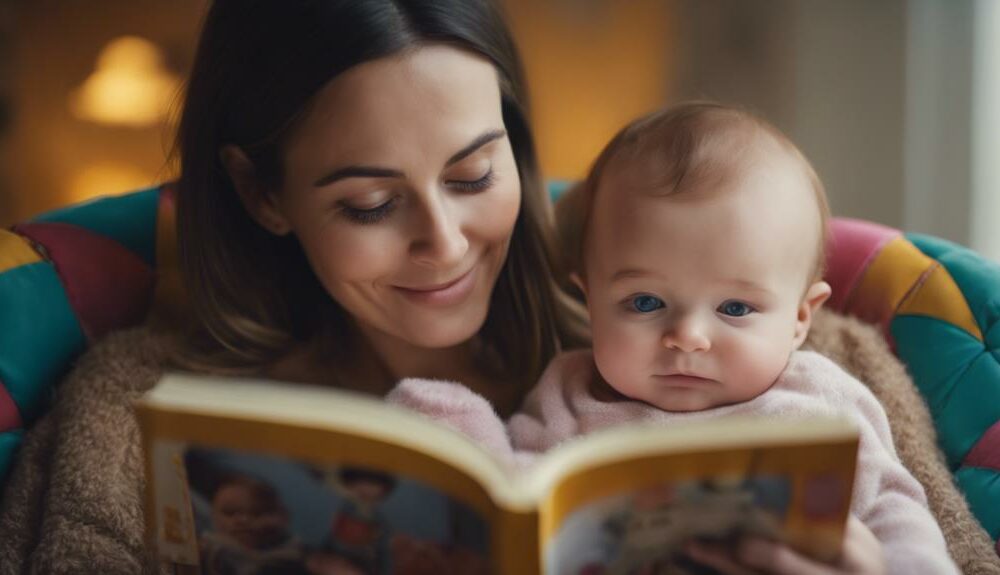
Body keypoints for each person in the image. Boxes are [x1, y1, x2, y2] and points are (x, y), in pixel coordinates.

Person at [0, 1, 586, 573]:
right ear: (263, 194)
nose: (447, 244)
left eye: (473, 175)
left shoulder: (646, 349)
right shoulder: (139, 412)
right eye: (370, 205)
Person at [388, 103, 959, 574]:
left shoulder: (819, 401)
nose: (686, 337)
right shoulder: (571, 391)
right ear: (589, 299)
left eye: (735, 308)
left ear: (800, 320)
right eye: (644, 303)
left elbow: (896, 508)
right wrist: (458, 442)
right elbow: (518, 495)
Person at [199, 474, 304, 575]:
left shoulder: (293, 556)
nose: (243, 520)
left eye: (257, 513)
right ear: (213, 514)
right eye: (229, 512)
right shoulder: (208, 547)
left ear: (282, 517)